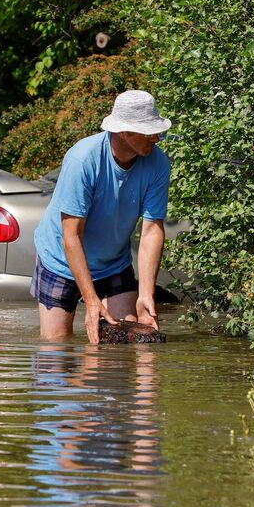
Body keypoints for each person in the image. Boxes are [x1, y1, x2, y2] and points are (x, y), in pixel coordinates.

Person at [31, 90, 172, 344]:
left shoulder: (158, 164)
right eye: (149, 132)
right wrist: (92, 300)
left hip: (113, 262)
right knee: (57, 349)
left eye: (157, 131)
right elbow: (71, 236)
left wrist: (146, 295)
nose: (157, 138)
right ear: (124, 132)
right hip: (61, 260)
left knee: (123, 347)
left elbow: (151, 230)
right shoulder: (83, 159)